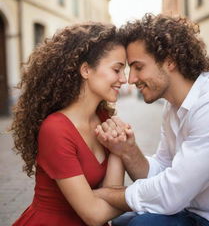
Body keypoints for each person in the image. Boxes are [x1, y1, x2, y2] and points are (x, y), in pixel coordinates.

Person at [94, 14, 209, 226]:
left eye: (138, 67)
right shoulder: (173, 107)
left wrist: (101, 195)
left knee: (138, 224)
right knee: (122, 220)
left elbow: (171, 193)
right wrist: (127, 150)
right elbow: (162, 170)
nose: (131, 80)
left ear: (170, 61)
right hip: (191, 211)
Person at [10, 22, 128, 226]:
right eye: (117, 69)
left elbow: (111, 193)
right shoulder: (55, 129)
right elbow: (94, 215)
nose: (124, 79)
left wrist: (119, 147)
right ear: (85, 70)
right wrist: (145, 197)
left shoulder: (102, 118)